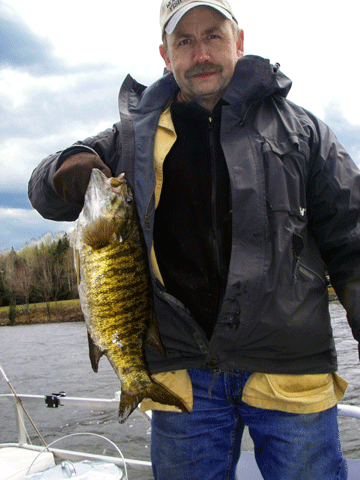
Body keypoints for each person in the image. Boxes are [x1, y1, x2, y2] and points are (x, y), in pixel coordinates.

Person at [28, 0, 360, 478]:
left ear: (239, 43)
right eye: (184, 40)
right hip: (181, 377)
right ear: (166, 55)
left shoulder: (303, 132)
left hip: (290, 368)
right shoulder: (132, 139)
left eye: (213, 36)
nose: (200, 53)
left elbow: (352, 234)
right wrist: (68, 167)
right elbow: (43, 191)